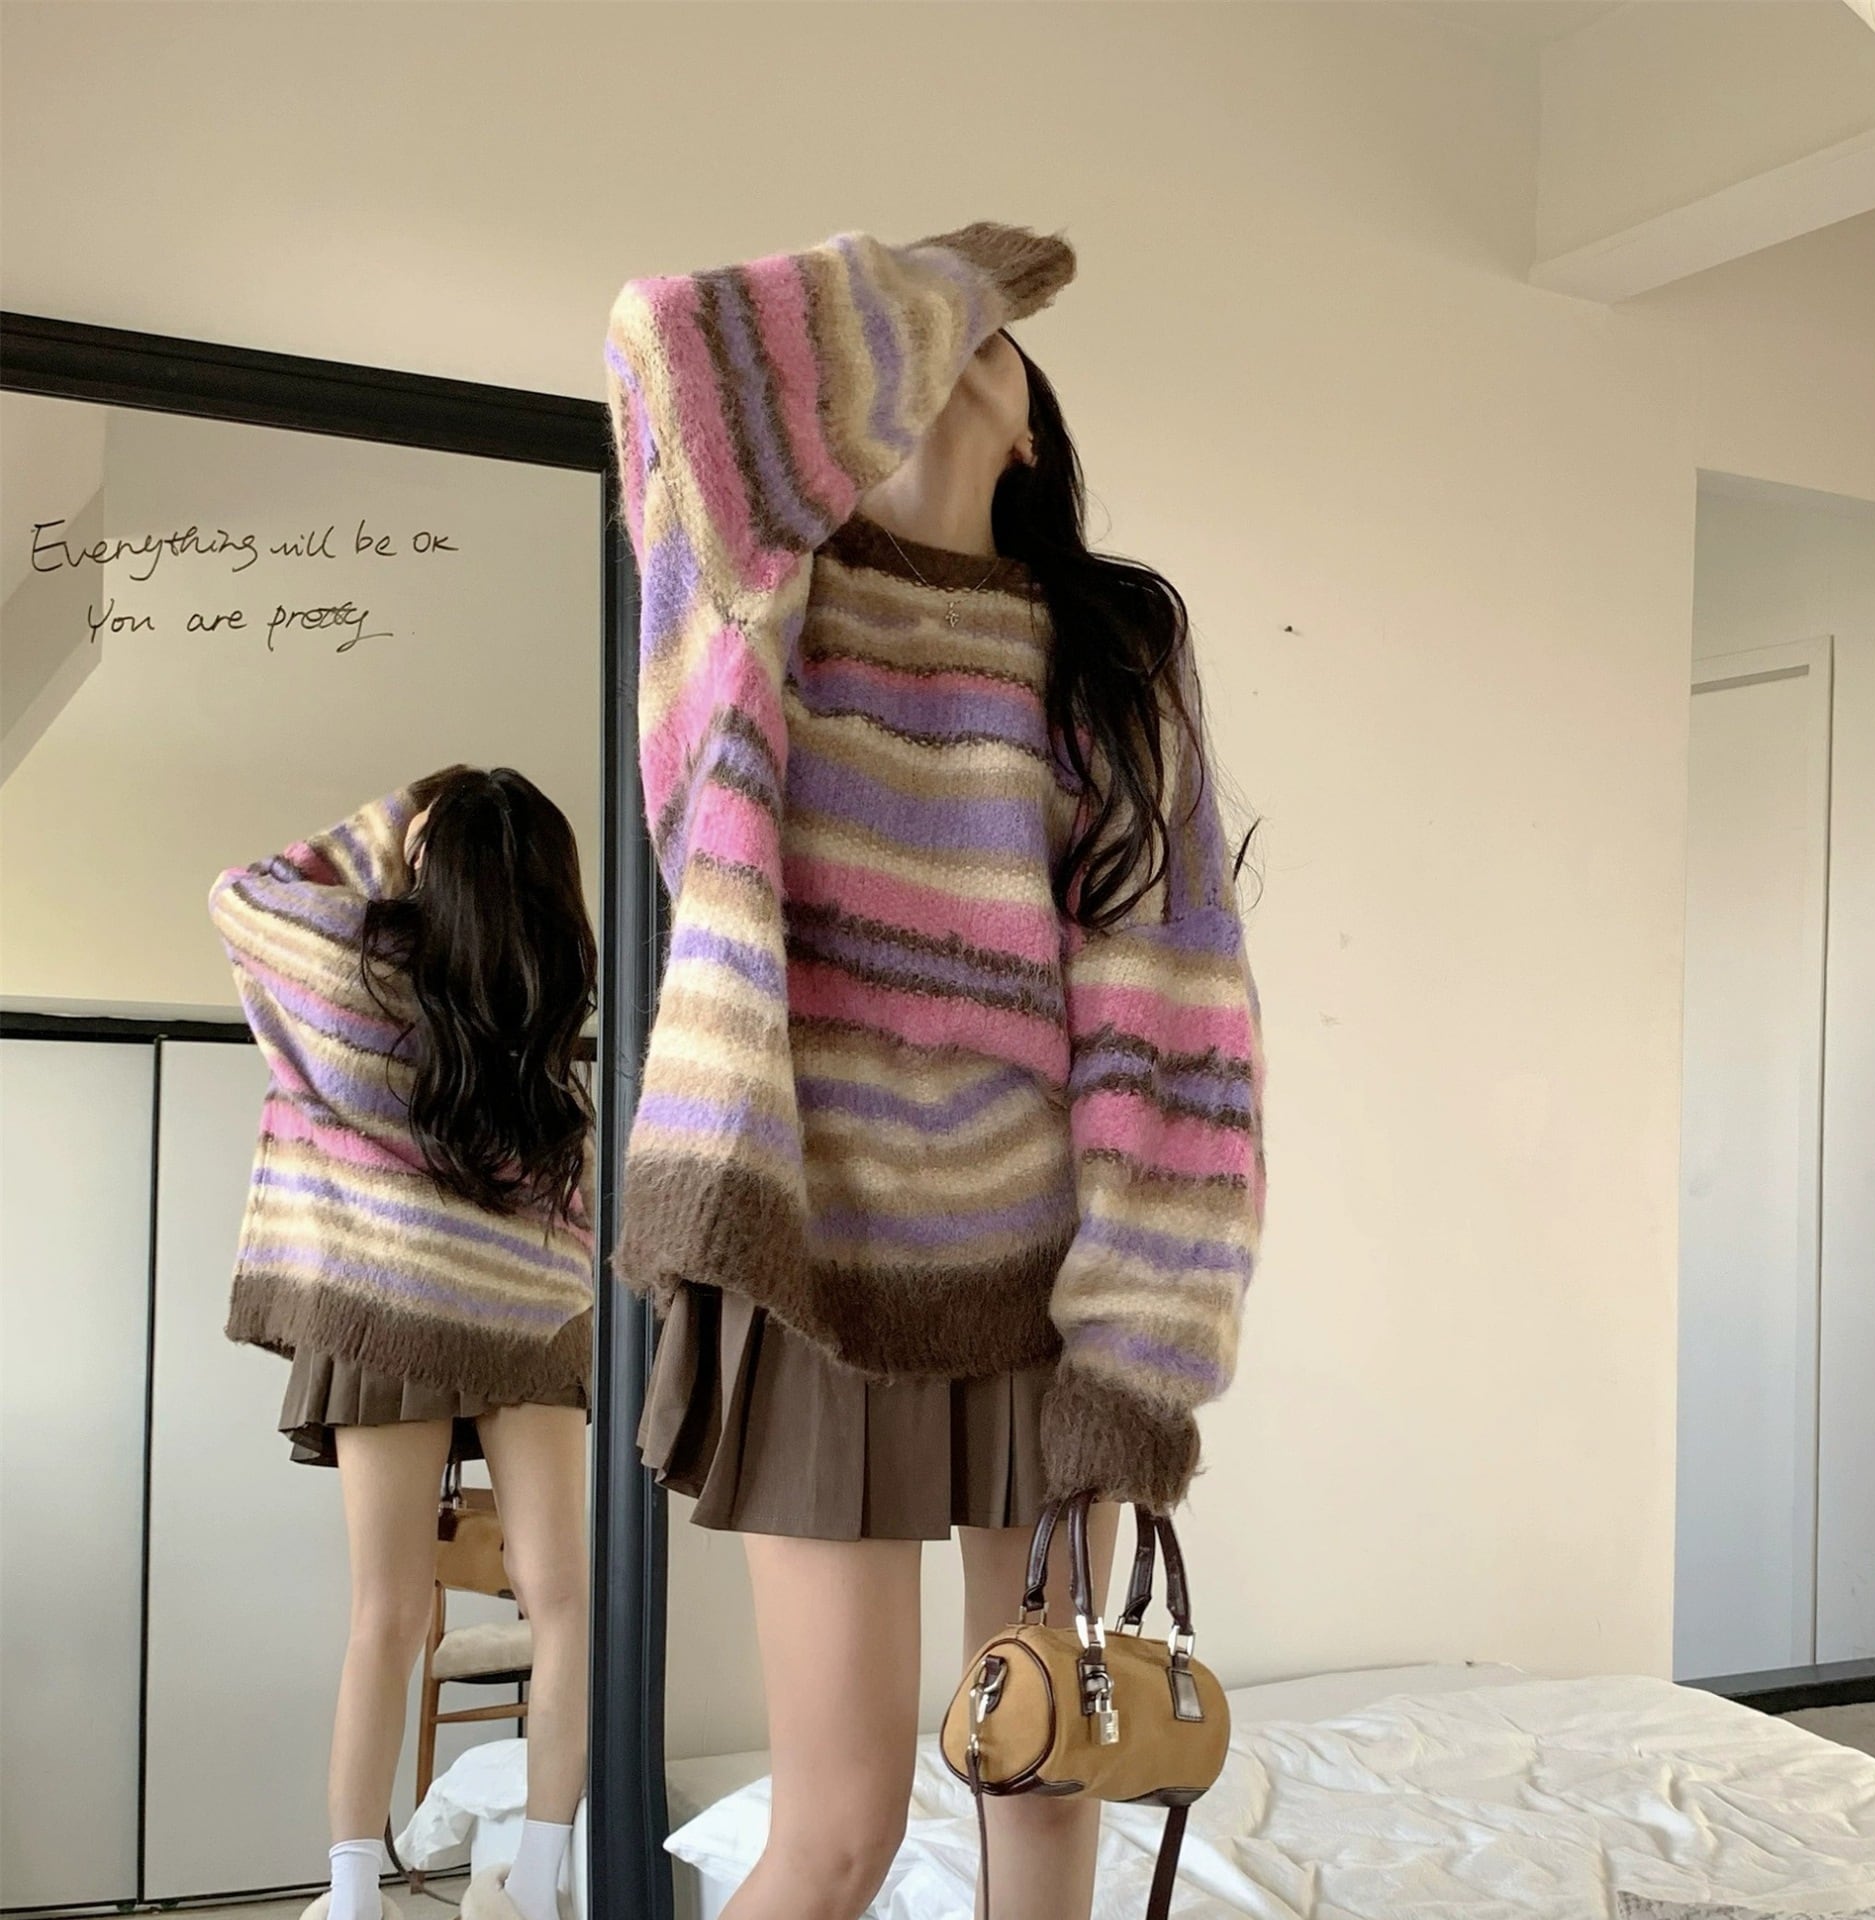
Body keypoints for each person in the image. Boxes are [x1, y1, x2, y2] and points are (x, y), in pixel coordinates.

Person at [605, 223, 1267, 1920]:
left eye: (986, 337)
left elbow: (1175, 1005)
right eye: (919, 325)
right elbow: (664, 341)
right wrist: (945, 273)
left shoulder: (1111, 646)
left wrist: (1141, 1347)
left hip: (1043, 1290)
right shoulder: (763, 610)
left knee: (1043, 1793)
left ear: (1034, 433)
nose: (958, 340)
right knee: (839, 1832)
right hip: (811, 1261)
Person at [209, 766, 597, 1920]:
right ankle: (538, 1880)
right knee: (563, 1605)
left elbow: (244, 889)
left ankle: (352, 1896)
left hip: (388, 1306)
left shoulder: (354, 969)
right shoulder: (538, 995)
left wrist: (407, 811)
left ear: (428, 864)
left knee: (385, 1614)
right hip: (522, 1310)